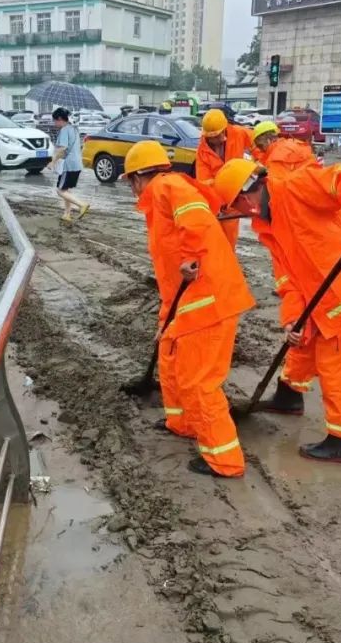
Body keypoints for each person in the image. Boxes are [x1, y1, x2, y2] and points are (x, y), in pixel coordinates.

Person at [216, 158, 341, 465]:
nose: (244, 214)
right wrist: (292, 320)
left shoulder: (295, 187)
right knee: (300, 346)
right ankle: (288, 397)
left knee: (338, 368)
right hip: (319, 300)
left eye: (240, 207)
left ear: (247, 196)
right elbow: (289, 280)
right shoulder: (269, 226)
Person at [124, 140, 255, 479]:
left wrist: (192, 256)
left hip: (209, 302)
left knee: (199, 382)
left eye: (130, 181)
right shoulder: (159, 199)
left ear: (140, 176)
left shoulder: (168, 185)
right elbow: (170, 274)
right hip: (188, 301)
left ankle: (225, 460)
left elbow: (194, 217)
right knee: (170, 355)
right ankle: (181, 422)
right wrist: (165, 318)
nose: (130, 189)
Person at [194, 109, 253, 247]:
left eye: (217, 136)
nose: (214, 140)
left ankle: (228, 264)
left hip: (234, 200)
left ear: (224, 129)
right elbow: (203, 182)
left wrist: (259, 163)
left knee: (228, 244)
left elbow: (259, 144)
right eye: (211, 137)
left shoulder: (238, 133)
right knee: (212, 243)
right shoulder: (202, 151)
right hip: (216, 202)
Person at [46, 108, 90, 223]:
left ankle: (82, 204)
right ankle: (67, 214)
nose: (54, 124)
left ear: (60, 119)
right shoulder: (74, 129)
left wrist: (53, 162)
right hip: (77, 164)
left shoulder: (65, 130)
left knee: (60, 191)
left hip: (68, 165)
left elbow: (62, 149)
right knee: (66, 189)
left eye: (55, 121)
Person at [253, 121, 319, 178]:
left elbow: (278, 185)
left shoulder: (277, 156)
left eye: (260, 146)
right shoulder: (288, 143)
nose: (260, 150)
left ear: (268, 139)